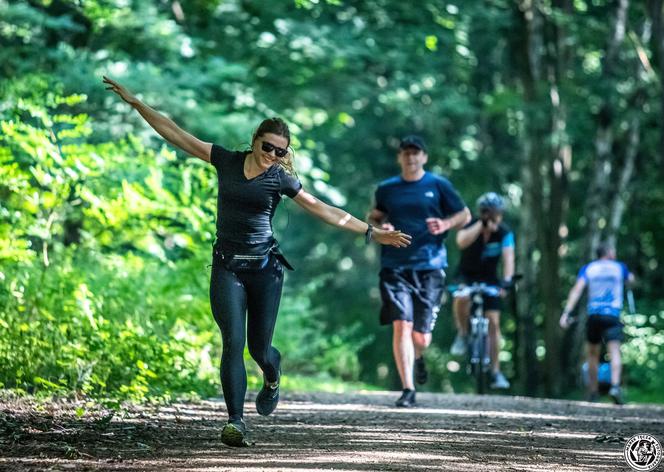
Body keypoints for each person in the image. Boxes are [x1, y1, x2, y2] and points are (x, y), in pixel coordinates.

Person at [103, 76, 412, 446]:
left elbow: (323, 209)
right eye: (269, 147)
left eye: (281, 152)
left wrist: (371, 233)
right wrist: (137, 104)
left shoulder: (279, 179)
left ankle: (272, 373)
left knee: (259, 349)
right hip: (227, 265)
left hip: (265, 270)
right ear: (254, 141)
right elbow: (177, 134)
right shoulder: (226, 161)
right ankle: (235, 421)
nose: (273, 156)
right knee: (232, 341)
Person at [368, 135, 470, 408]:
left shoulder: (438, 185)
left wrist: (446, 223)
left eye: (416, 153)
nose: (411, 157)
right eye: (406, 153)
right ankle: (408, 388)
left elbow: (465, 215)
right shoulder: (387, 188)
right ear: (399, 157)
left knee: (421, 336)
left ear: (424, 157)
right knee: (402, 323)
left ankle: (419, 355)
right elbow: (375, 216)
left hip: (430, 265)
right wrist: (382, 228)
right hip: (395, 265)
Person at [449, 192, 515, 390]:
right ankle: (462, 333)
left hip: (491, 280)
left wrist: (507, 282)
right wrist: (481, 225)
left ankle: (495, 371)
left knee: (494, 322)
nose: (492, 216)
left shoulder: (504, 233)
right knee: (461, 298)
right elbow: (461, 242)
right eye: (488, 212)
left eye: (495, 213)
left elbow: (509, 259)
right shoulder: (471, 225)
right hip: (466, 276)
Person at [559, 242, 634, 404]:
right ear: (608, 252)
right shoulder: (620, 267)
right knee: (614, 351)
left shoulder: (589, 268)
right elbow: (631, 281)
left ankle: (593, 391)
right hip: (612, 314)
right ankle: (615, 386)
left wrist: (566, 313)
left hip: (594, 316)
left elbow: (577, 290)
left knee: (592, 353)